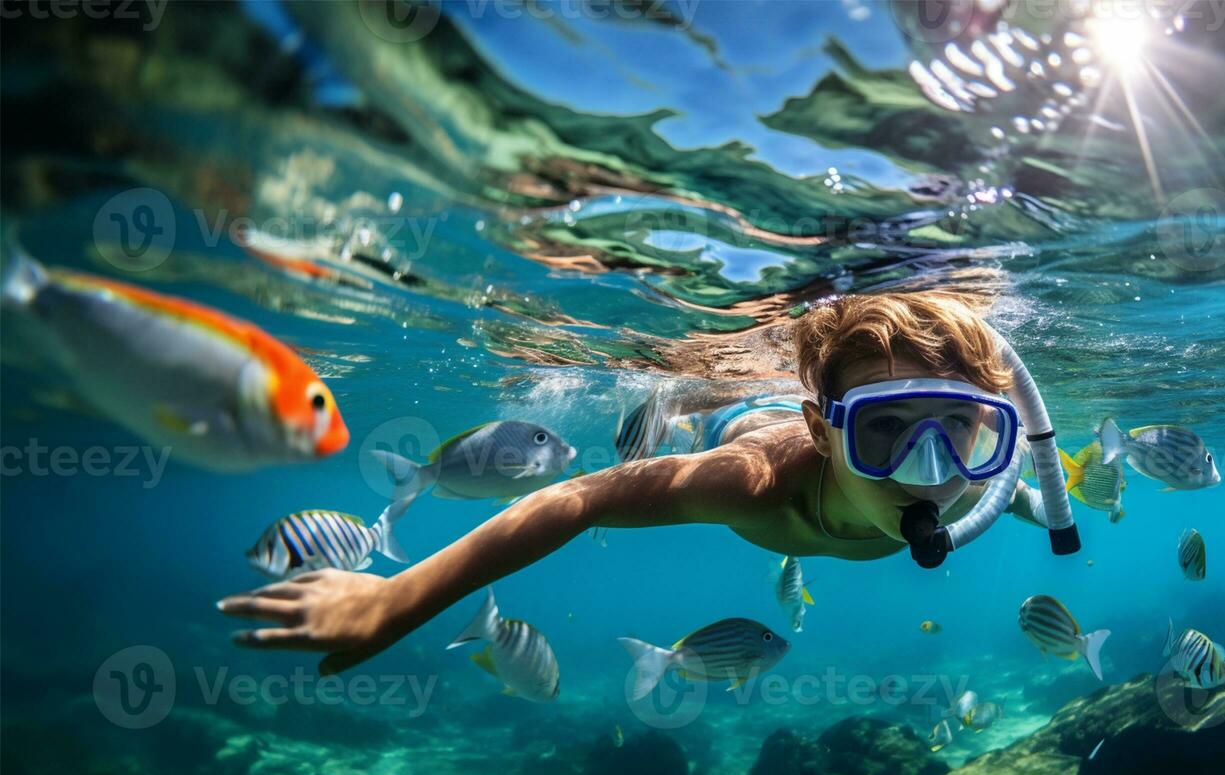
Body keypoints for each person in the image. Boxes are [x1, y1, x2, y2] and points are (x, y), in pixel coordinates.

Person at [218, 290, 1047, 674]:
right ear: (821, 431)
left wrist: (1033, 503)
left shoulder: (980, 483)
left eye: (964, 431)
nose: (932, 472)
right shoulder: (754, 483)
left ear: (994, 431)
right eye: (884, 431)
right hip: (731, 422)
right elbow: (574, 497)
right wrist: (393, 601)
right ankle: (685, 399)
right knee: (679, 412)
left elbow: (1003, 486)